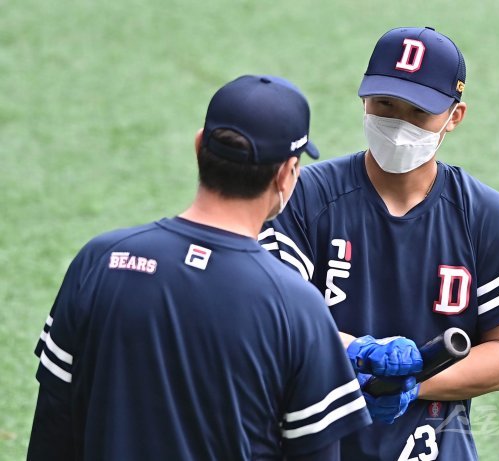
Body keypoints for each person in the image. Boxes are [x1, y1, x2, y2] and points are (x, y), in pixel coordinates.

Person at [27, 74, 372, 461]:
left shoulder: (99, 260)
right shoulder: (297, 307)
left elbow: (51, 431)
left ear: (198, 146)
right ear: (285, 174)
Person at [259, 27, 499, 460]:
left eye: (419, 111)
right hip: (314, 443)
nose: (399, 124)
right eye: (385, 104)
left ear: (455, 116)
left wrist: (412, 384)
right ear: (364, 99)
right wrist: (359, 357)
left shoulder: (484, 215)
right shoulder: (306, 197)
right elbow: (272, 321)